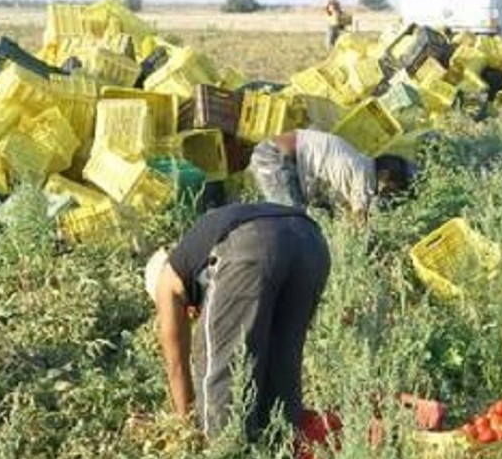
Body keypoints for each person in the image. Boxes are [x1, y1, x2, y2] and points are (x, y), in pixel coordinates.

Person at [145, 203, 331, 440]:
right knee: (281, 376)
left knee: (219, 379)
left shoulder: (166, 280)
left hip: (252, 242)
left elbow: (177, 365)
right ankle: (285, 456)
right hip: (311, 241)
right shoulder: (196, 253)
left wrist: (187, 429)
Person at [249, 129, 412, 222]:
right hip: (276, 159)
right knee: (292, 224)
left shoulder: (358, 162)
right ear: (384, 175)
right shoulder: (366, 176)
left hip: (273, 153)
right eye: (390, 189)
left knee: (301, 218)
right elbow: (359, 219)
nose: (386, 195)